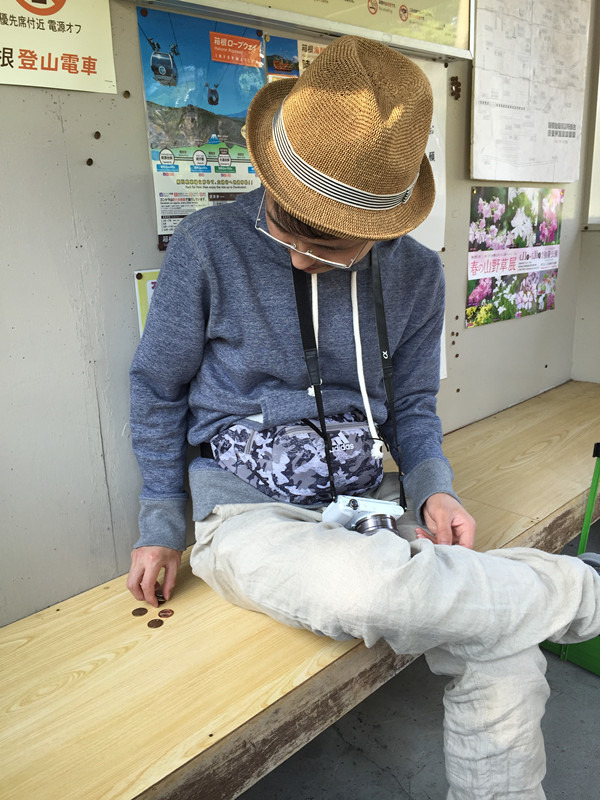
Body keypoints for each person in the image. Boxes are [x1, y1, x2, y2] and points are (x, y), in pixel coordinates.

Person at [127, 36, 600, 799]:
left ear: (382, 228)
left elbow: (410, 405)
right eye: (287, 220)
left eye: (326, 240)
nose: (298, 253)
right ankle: (581, 593)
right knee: (370, 593)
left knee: (504, 651)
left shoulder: (416, 274)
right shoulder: (208, 246)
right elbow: (156, 388)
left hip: (368, 501)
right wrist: (158, 520)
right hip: (246, 515)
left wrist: (432, 487)